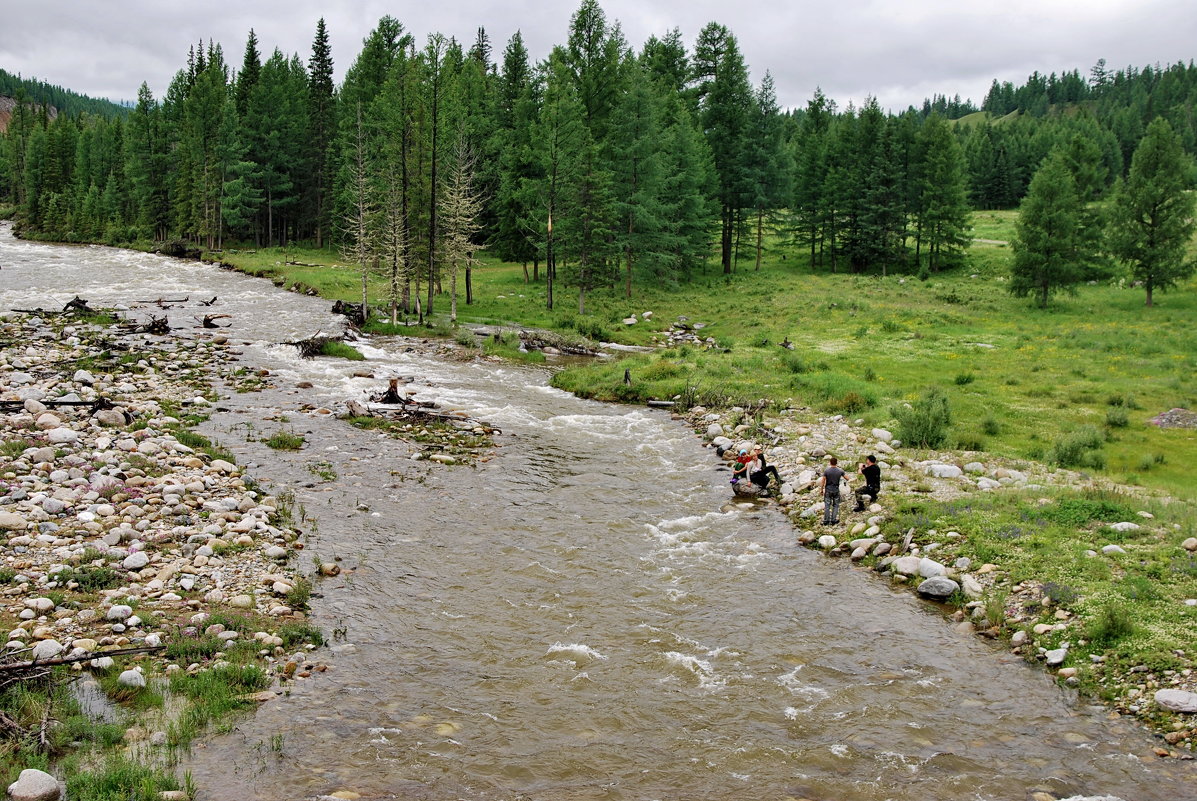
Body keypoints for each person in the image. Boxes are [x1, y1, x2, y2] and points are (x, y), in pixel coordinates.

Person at [818, 457, 847, 525]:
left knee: (827, 505)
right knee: (836, 505)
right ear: (836, 463)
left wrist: (821, 489)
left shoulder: (827, 471)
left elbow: (823, 480)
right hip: (836, 490)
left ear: (830, 462)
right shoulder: (840, 471)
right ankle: (834, 520)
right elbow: (847, 478)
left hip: (828, 489)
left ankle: (826, 520)